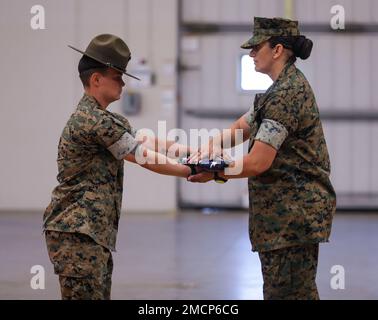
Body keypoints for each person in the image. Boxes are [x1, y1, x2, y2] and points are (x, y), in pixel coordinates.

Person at [188, 17, 337, 300]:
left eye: (257, 47)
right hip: (283, 218)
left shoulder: (286, 94)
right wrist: (211, 146)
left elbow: (258, 162)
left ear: (278, 50)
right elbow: (241, 128)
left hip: (291, 219)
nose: (251, 54)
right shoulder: (278, 90)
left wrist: (215, 171)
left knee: (287, 294)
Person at [43, 34, 195, 300]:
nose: (123, 83)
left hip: (88, 232)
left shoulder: (104, 119)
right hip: (77, 231)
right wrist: (190, 171)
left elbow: (145, 140)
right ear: (96, 79)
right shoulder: (93, 121)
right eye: (117, 76)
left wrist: (193, 153)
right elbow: (142, 155)